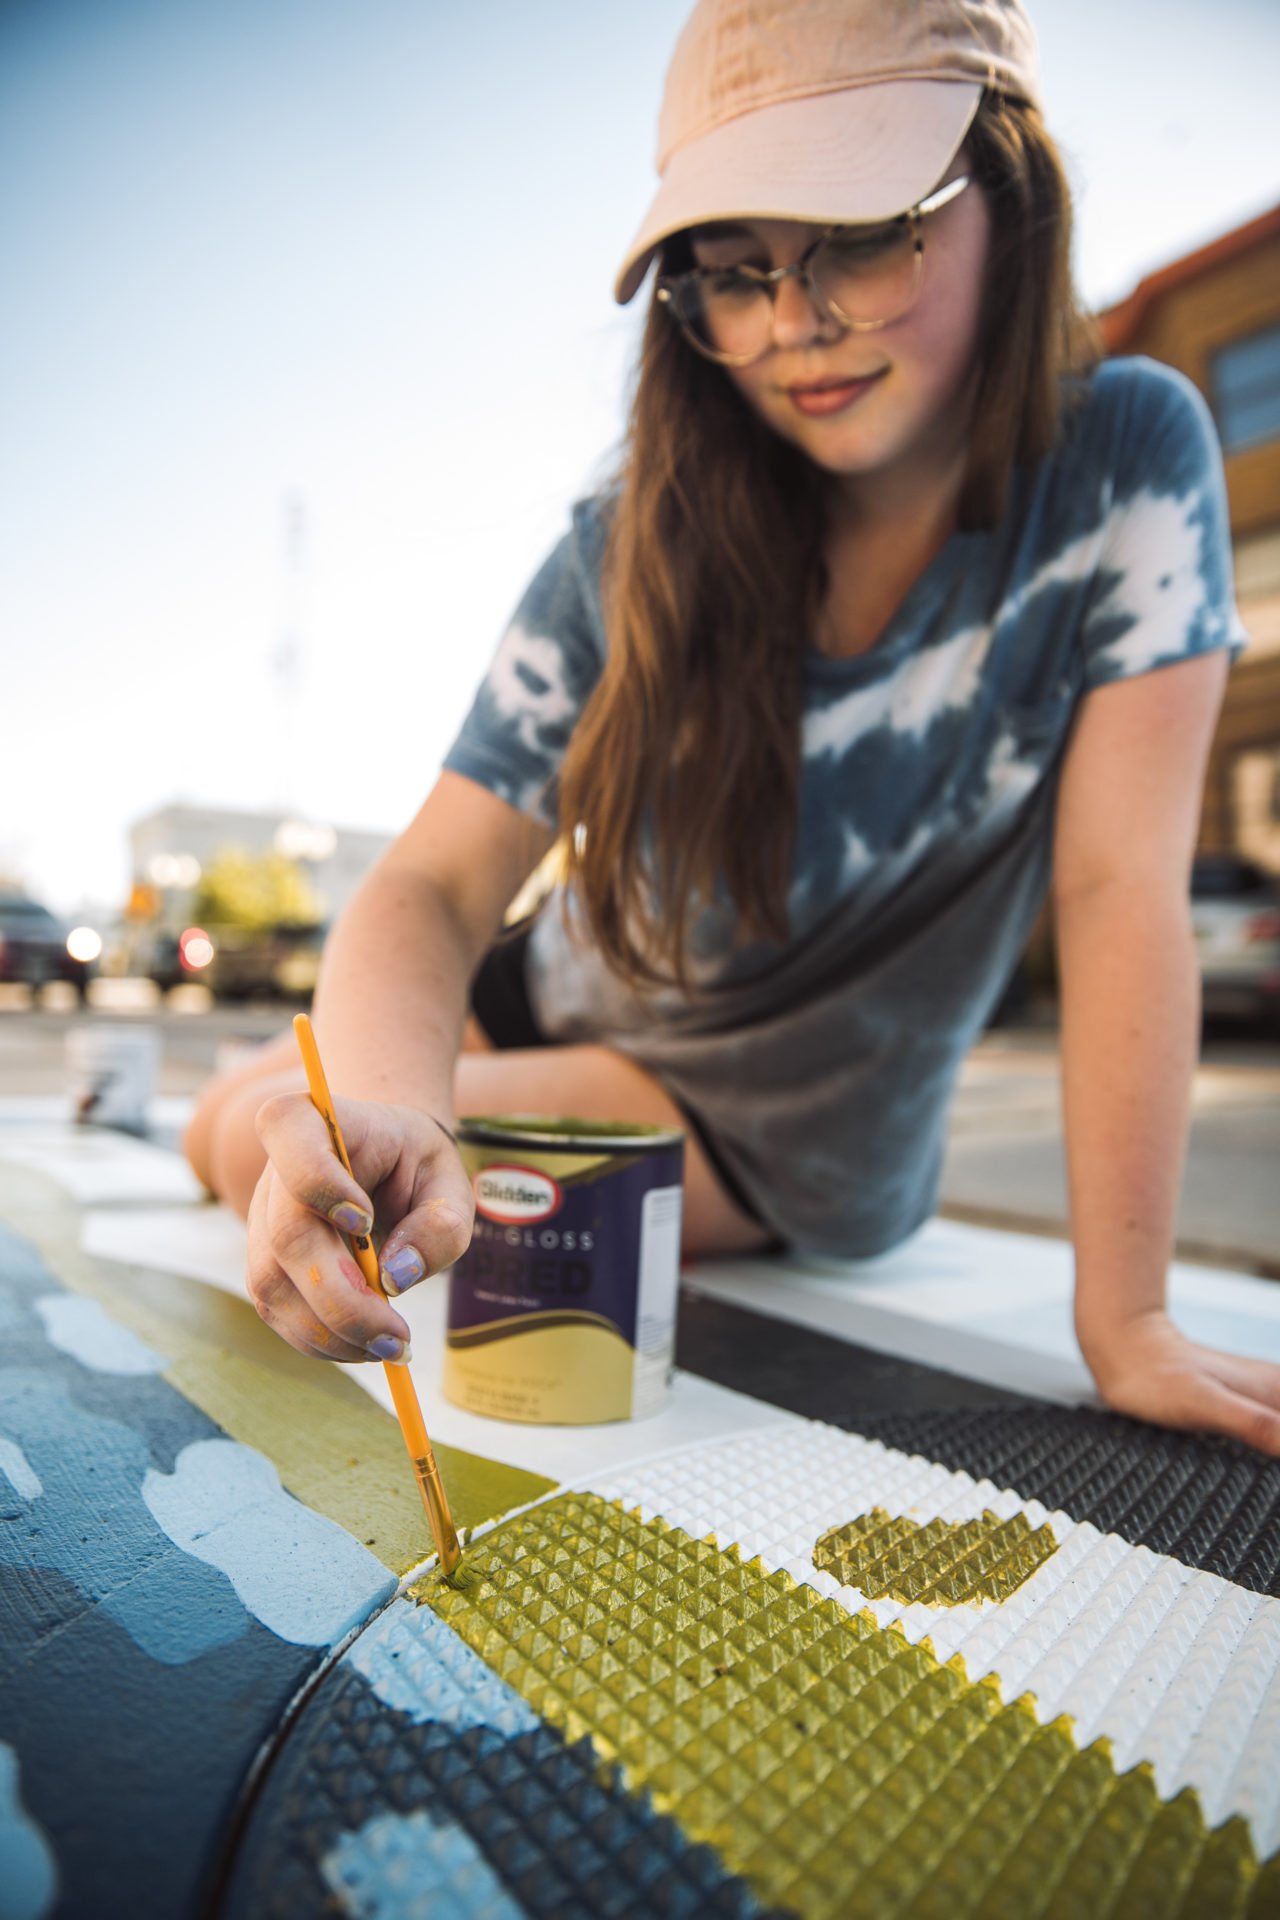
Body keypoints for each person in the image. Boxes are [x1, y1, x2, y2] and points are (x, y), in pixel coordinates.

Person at [185, 0, 1280, 1454]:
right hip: (562, 980)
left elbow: (1117, 886)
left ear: (1008, 192)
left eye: (865, 234)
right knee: (282, 1120)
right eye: (731, 273)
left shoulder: (1129, 453)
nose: (793, 322)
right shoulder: (633, 533)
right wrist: (393, 1103)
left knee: (252, 1109)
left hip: (747, 1120)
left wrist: (1126, 1318)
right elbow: (440, 882)